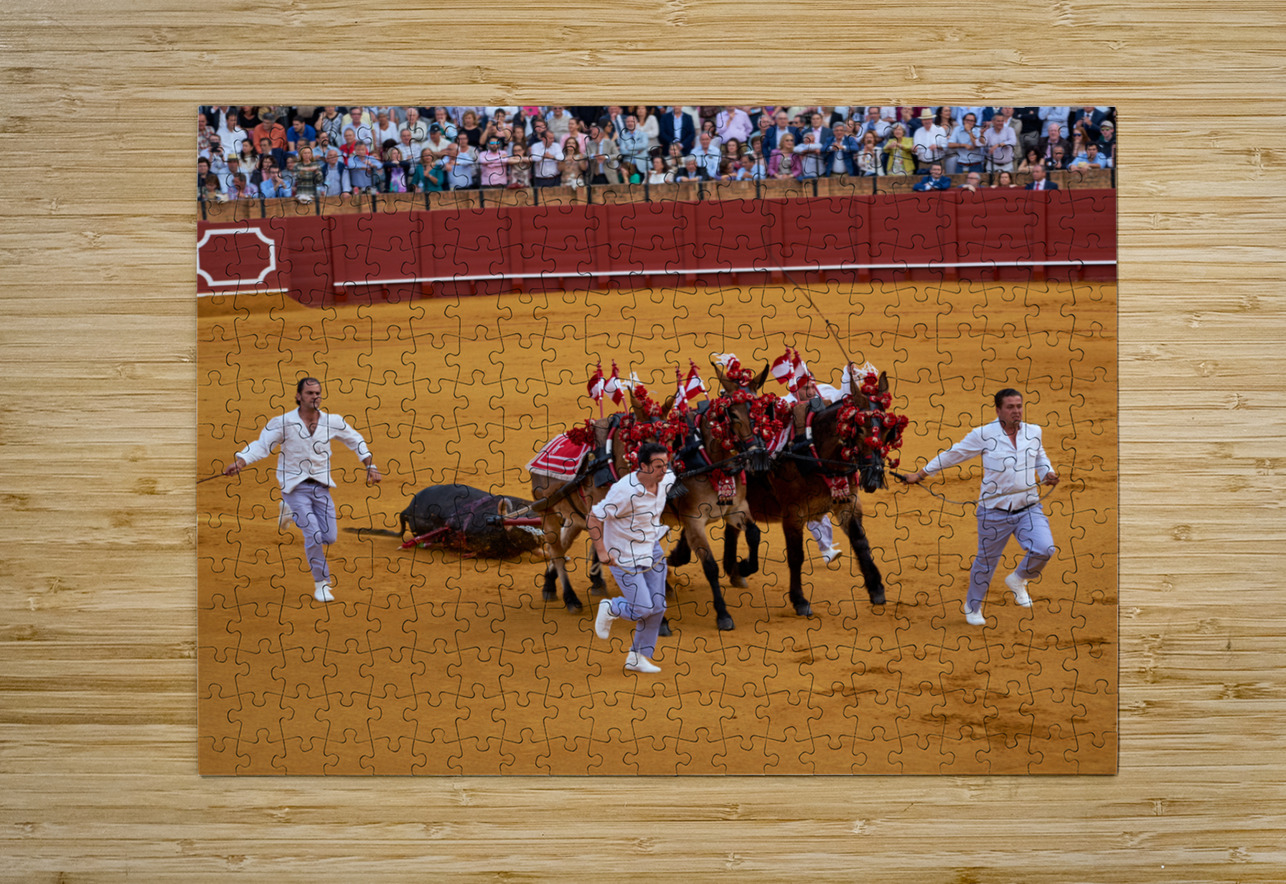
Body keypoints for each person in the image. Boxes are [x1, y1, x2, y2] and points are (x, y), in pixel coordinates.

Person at [902, 389, 1058, 625]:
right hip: (993, 512)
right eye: (1010, 407)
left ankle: (1018, 579)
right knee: (986, 563)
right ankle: (972, 606)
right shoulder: (983, 434)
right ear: (998, 410)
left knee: (1044, 549)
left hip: (1028, 507)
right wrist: (921, 474)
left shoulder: (1034, 431)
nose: (1016, 411)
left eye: (1019, 406)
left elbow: (1040, 457)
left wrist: (1048, 472)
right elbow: (954, 455)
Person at [222, 378, 382, 603]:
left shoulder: (332, 421)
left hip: (321, 487)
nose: (315, 397)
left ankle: (288, 511)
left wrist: (370, 466)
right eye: (309, 393)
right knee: (314, 535)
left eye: (317, 393)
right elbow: (261, 445)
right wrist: (241, 461)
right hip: (294, 487)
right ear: (298, 396)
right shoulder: (283, 422)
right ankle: (322, 583)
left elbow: (355, 440)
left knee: (329, 536)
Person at [588, 442, 676, 674]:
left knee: (658, 607)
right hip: (623, 556)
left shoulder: (666, 480)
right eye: (658, 466)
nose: (663, 470)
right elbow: (594, 518)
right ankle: (612, 607)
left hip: (653, 550)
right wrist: (601, 552)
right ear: (643, 466)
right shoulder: (624, 491)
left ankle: (638, 658)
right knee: (643, 608)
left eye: (665, 465)